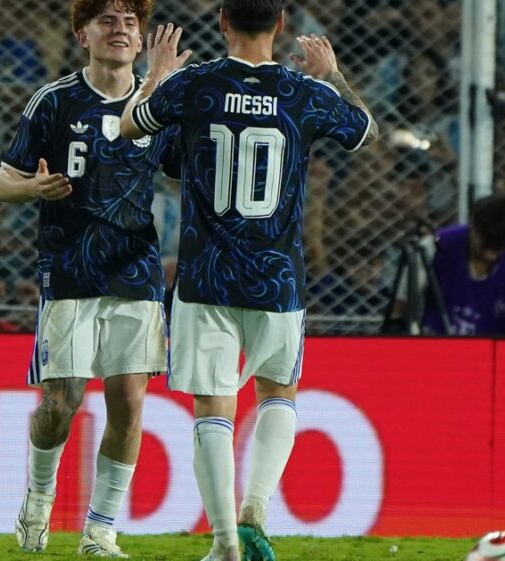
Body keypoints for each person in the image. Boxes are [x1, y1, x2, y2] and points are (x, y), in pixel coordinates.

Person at [122, 1, 378, 559]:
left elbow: (132, 129)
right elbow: (365, 130)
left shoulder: (195, 85)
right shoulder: (303, 92)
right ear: (281, 25)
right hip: (276, 276)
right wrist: (332, 74)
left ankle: (223, 543)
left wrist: (157, 77)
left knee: (213, 408)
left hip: (205, 275)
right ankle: (255, 509)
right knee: (277, 395)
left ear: (221, 23)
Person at [0, 0, 180, 557]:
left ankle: (100, 531)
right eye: (106, 20)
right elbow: (4, 182)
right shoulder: (53, 102)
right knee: (61, 402)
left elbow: (186, 167)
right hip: (70, 271)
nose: (119, 29)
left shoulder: (157, 106)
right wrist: (35, 189)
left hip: (136, 269)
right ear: (83, 34)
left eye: (129, 22)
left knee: (128, 398)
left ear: (143, 39)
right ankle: (38, 500)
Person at [393, 194, 505, 338]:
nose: (490, 253)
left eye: (498, 246)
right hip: (436, 347)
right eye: (486, 242)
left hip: (495, 356)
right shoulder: (435, 247)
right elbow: (401, 302)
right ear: (473, 225)